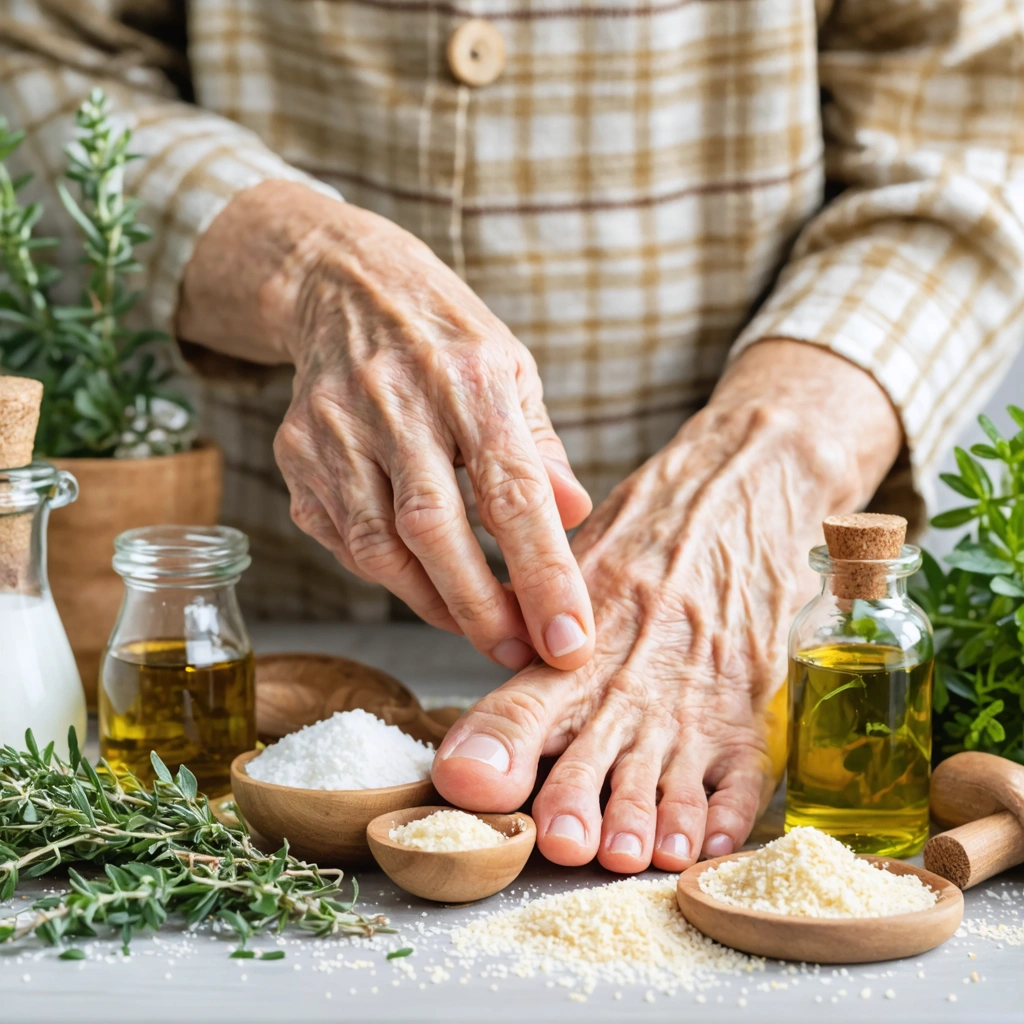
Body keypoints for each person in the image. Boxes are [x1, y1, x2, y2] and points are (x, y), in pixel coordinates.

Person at [2, 1, 1022, 873]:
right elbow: (37, 63)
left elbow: (972, 134)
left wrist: (760, 469)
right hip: (276, 588)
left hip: (723, 619)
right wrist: (304, 262)